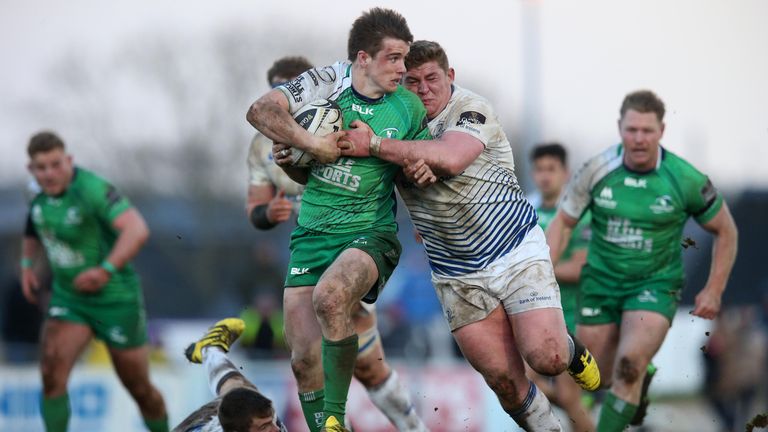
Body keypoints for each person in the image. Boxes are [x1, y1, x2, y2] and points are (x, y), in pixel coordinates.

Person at [338, 40, 600, 431]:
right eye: (412, 81)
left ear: (450, 77)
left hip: (513, 251)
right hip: (455, 273)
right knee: (504, 383)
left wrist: (383, 148)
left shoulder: (470, 107)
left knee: (548, 359)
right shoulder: (391, 121)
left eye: (432, 79)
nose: (423, 89)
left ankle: (570, 349)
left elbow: (451, 156)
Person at [246, 9, 431, 432]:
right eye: (394, 59)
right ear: (362, 59)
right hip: (312, 235)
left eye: (405, 59)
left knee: (331, 300)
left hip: (370, 234)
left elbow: (417, 169)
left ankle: (338, 417)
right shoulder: (324, 87)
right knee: (303, 358)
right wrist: (308, 148)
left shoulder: (408, 109)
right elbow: (260, 113)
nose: (403, 69)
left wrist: (422, 177)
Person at [545, 90, 739, 432]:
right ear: (620, 128)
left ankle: (636, 371)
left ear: (661, 131)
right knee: (595, 379)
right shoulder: (596, 169)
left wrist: (714, 288)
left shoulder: (684, 178)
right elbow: (563, 222)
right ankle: (639, 380)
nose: (638, 139)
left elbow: (726, 229)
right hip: (601, 284)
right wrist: (543, 275)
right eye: (632, 130)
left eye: (647, 131)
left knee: (629, 365)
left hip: (654, 285)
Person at [20, 131, 169, 431]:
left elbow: (137, 229)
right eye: (41, 167)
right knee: (51, 375)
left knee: (139, 389)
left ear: (69, 161)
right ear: (31, 170)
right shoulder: (36, 194)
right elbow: (34, 226)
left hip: (115, 299)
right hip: (70, 299)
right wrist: (26, 265)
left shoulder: (92, 189)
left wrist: (105, 270)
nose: (49, 173)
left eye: (55, 164)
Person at [530, 143, 595, 432]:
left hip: (575, 318)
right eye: (540, 169)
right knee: (523, 387)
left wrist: (536, 271)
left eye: (551, 169)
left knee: (569, 397)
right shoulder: (526, 212)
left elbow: (584, 267)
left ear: (565, 173)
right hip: (535, 320)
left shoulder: (578, 215)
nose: (545, 176)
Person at [174, 318, 286, 432]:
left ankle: (210, 349)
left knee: (240, 390)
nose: (276, 430)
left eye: (271, 422)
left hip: (223, 414)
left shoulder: (274, 425)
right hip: (205, 421)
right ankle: (211, 350)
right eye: (264, 427)